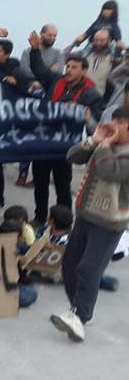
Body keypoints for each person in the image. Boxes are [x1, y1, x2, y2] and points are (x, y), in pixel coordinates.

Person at [50, 108, 129, 342]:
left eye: (120, 124)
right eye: (113, 122)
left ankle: (79, 316)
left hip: (109, 223)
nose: (112, 127)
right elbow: (72, 156)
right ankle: (80, 310)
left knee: (89, 269)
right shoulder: (102, 144)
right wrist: (94, 140)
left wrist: (104, 145)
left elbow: (109, 171)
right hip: (85, 215)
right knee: (70, 264)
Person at [27, 31, 105, 225]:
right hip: (43, 142)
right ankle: (39, 218)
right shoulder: (56, 81)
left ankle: (63, 223)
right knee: (40, 184)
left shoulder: (91, 94)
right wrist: (36, 50)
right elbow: (40, 70)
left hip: (66, 148)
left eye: (74, 67)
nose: (68, 70)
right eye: (67, 66)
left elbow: (95, 128)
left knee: (62, 187)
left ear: (83, 71)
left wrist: (85, 115)